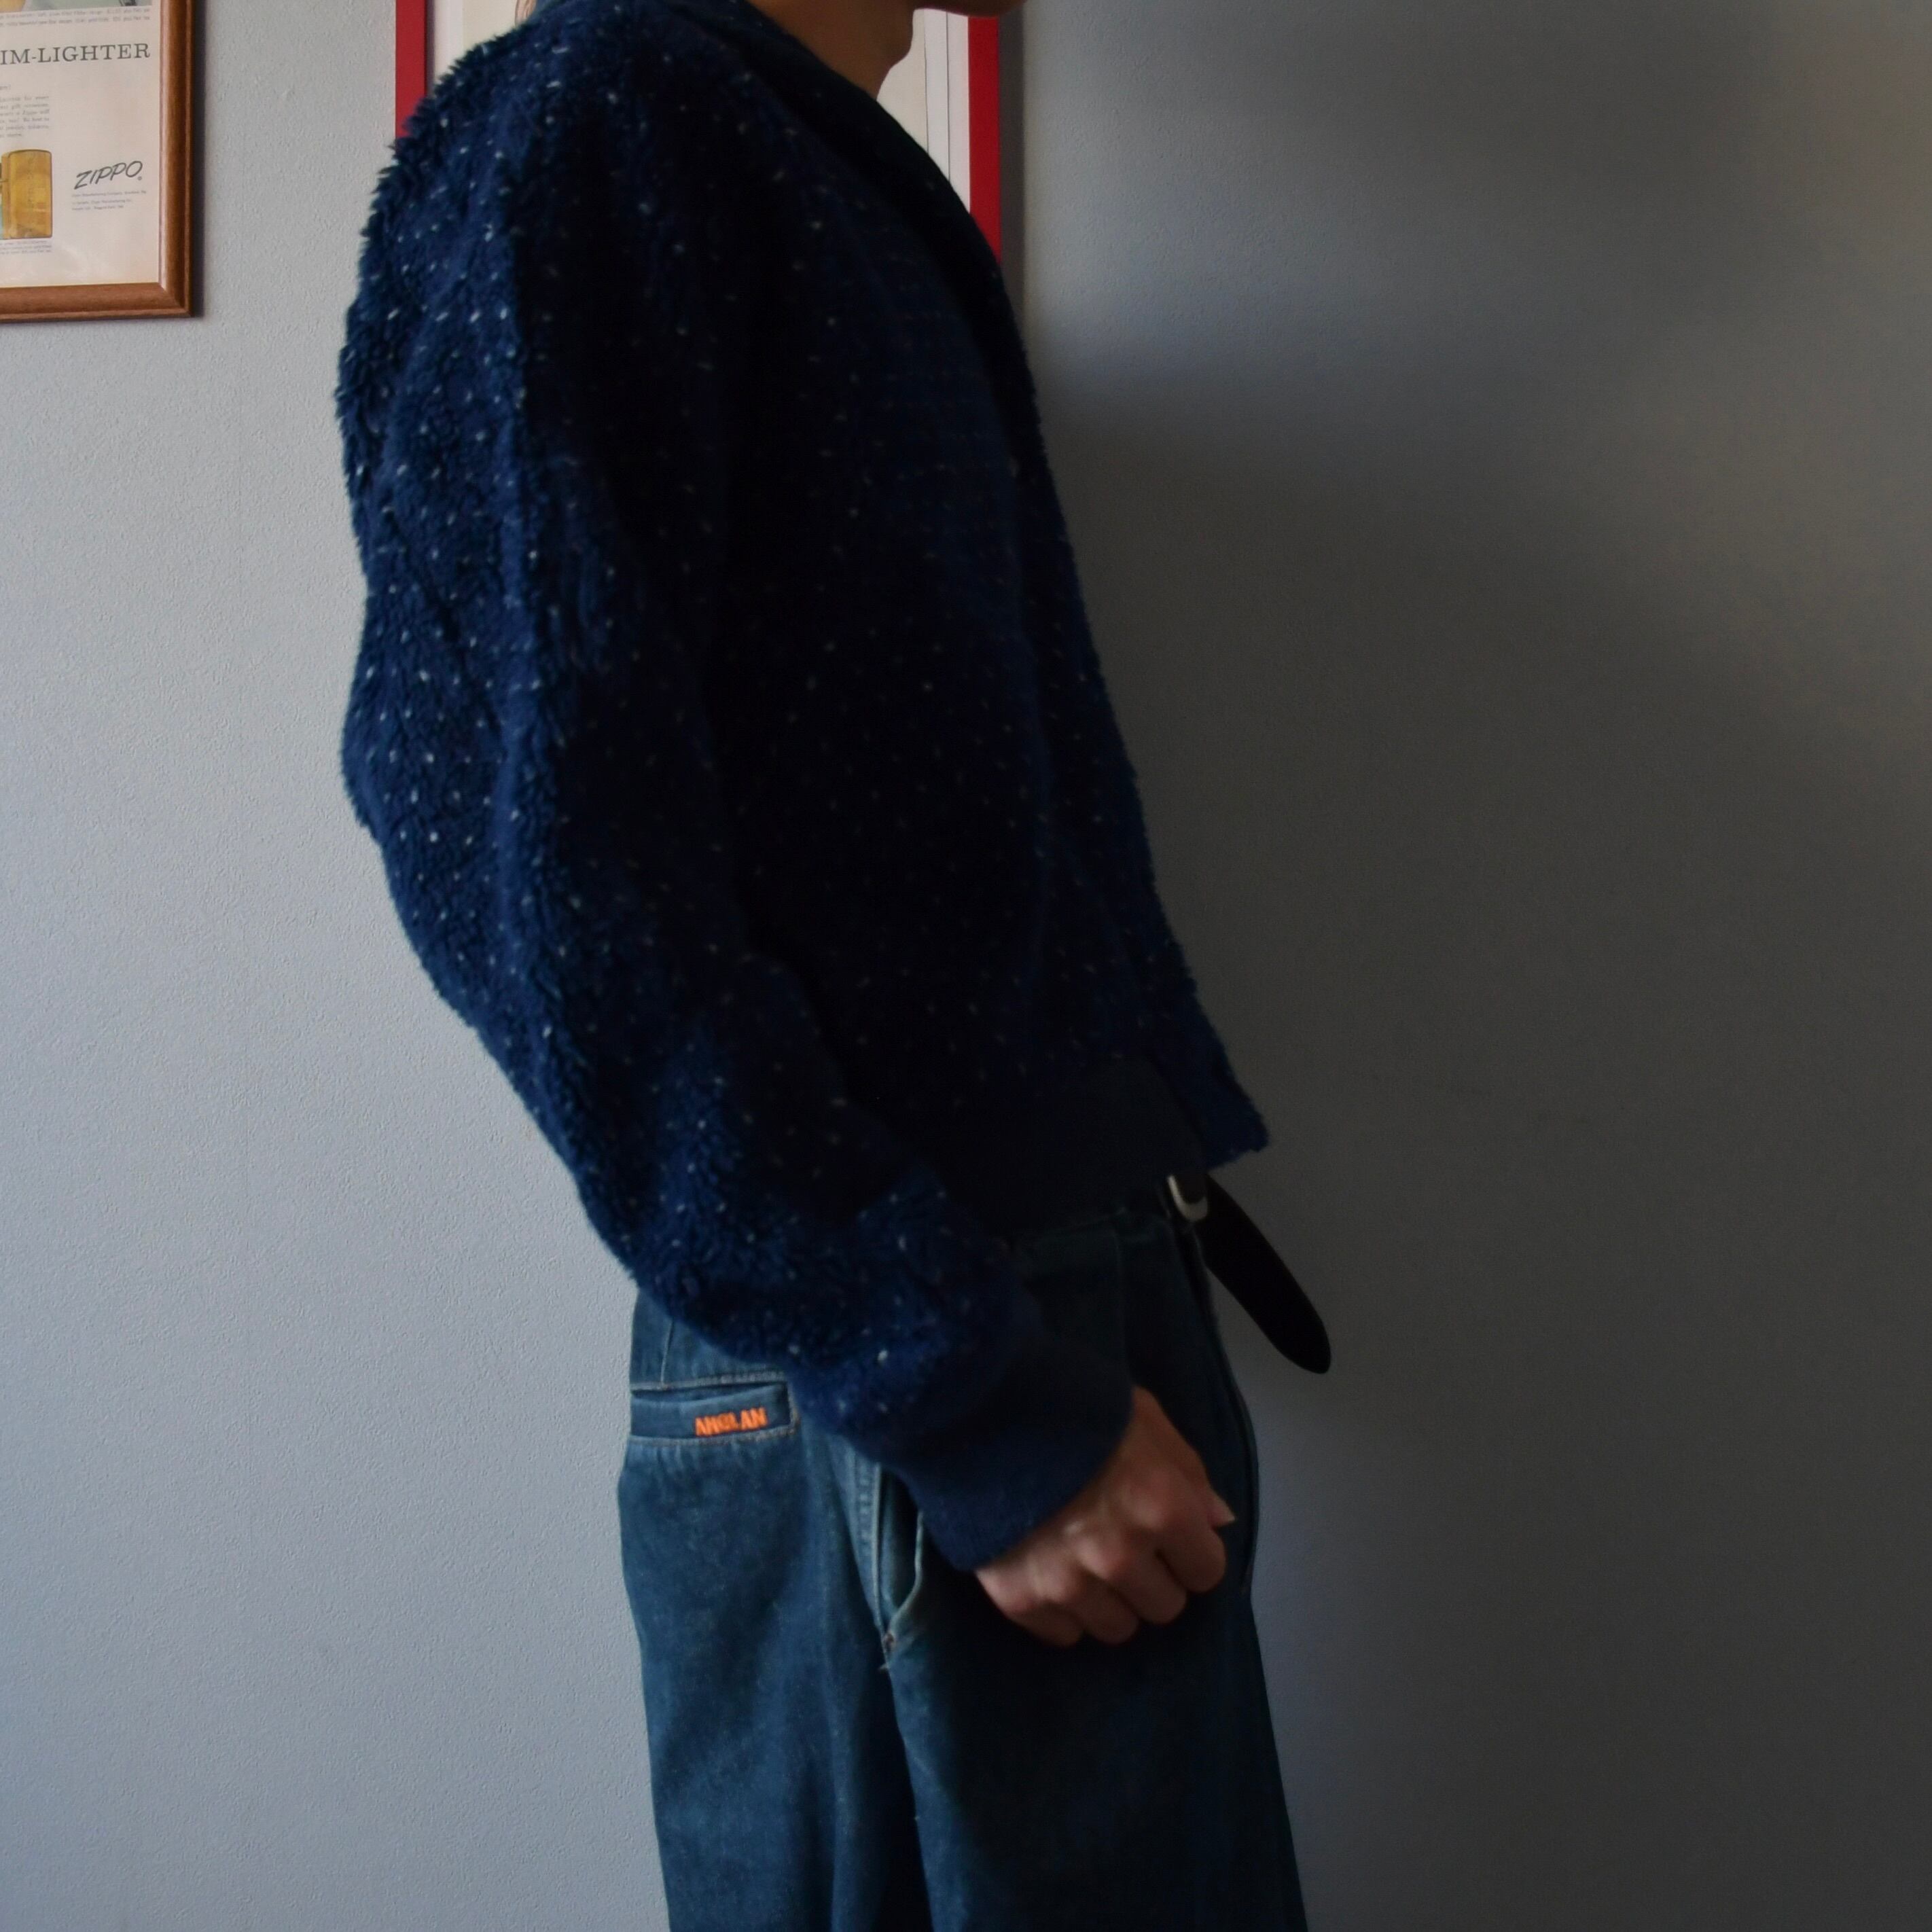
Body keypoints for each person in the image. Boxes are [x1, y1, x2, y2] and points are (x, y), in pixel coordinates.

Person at [336, 0, 1310, 1923]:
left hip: (994, 1333)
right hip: (918, 1366)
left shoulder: (759, 142)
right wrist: (963, 1394)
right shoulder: (607, 115)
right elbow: (533, 854)